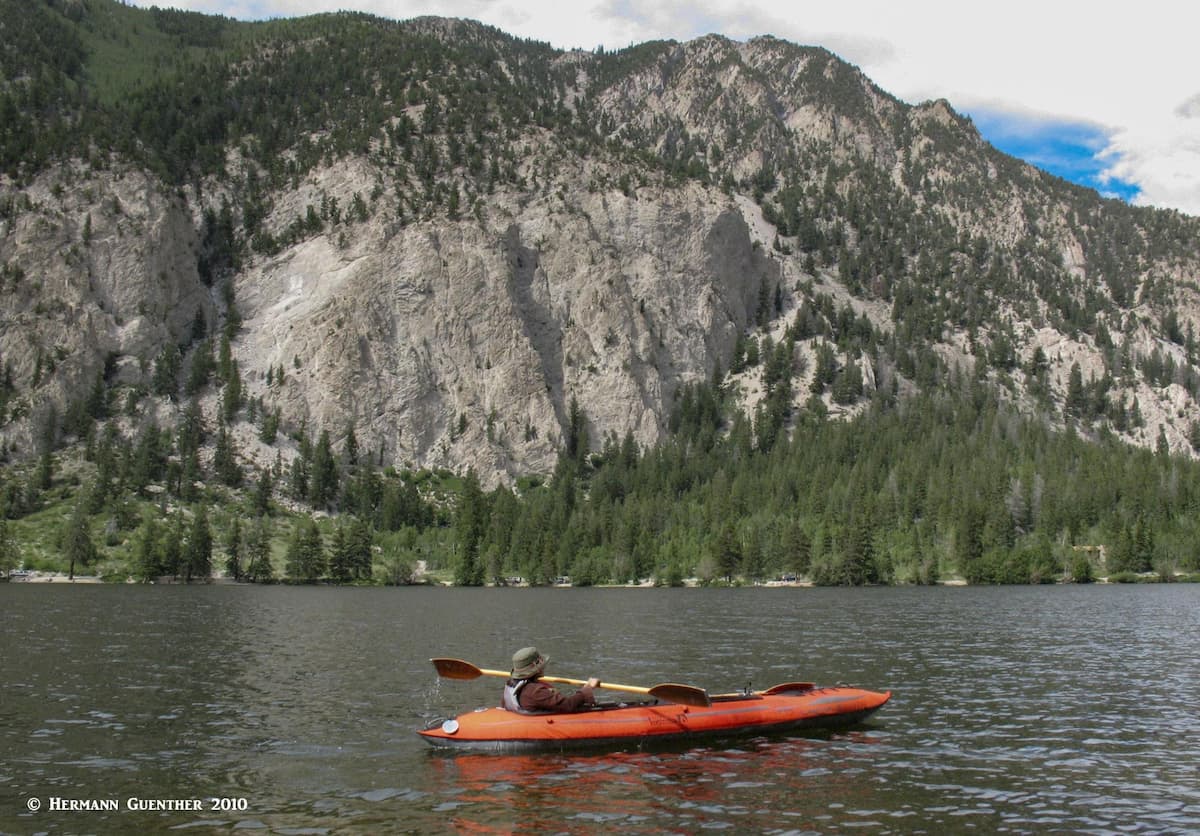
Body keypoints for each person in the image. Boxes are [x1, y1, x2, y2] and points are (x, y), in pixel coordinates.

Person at [502, 646, 599, 713]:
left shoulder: (512, 683)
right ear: (536, 669)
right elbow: (567, 705)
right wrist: (587, 688)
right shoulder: (535, 692)